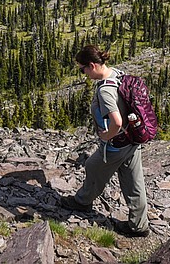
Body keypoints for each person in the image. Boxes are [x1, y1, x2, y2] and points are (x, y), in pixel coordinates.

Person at [60, 45, 149, 237]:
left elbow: (116, 121)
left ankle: (82, 202)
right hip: (132, 140)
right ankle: (139, 225)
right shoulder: (117, 74)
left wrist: (106, 136)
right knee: (134, 183)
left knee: (93, 166)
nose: (83, 73)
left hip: (116, 144)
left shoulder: (105, 91)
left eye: (82, 68)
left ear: (92, 65)